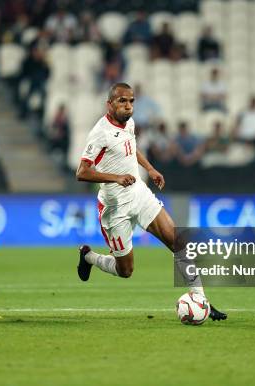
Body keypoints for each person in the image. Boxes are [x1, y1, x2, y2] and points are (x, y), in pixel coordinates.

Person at [75, 83, 227, 322]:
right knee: (126, 271)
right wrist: (116, 178)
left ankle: (201, 300)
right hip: (115, 209)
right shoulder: (100, 133)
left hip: (139, 194)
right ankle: (88, 257)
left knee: (177, 241)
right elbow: (82, 172)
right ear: (110, 104)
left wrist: (150, 168)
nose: (128, 106)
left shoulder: (130, 123)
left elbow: (130, 148)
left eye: (131, 101)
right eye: (122, 101)